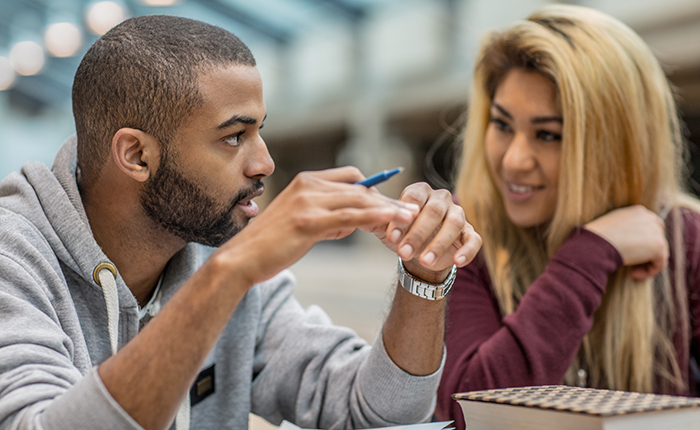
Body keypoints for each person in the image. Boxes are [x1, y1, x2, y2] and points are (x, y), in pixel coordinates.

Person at [0, 15, 482, 430]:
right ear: (137, 155)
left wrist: (424, 275)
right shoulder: (12, 256)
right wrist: (229, 274)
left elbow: (377, 418)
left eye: (260, 131)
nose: (266, 164)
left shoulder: (214, 252)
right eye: (234, 137)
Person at [435, 4, 700, 429]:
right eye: (502, 125)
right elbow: (472, 412)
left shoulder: (686, 238)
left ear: (615, 145)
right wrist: (589, 257)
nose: (515, 160)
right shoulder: (465, 239)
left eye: (548, 135)